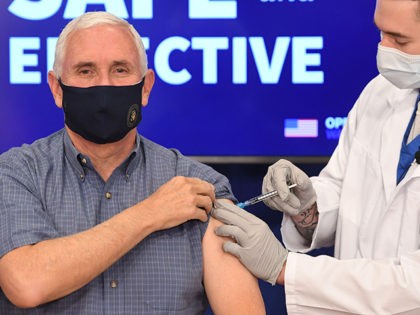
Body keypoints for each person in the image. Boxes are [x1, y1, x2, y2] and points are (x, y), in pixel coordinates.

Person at [0, 11, 265, 314]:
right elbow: (25, 283)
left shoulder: (200, 188)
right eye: (85, 71)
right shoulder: (18, 173)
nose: (104, 86)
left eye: (120, 70)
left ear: (146, 87)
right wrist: (150, 213)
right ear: (57, 88)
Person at [211, 0, 420, 314]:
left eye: (399, 40)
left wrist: (285, 268)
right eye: (380, 34)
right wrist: (308, 207)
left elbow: (413, 287)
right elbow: (345, 189)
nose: (383, 49)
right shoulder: (382, 93)